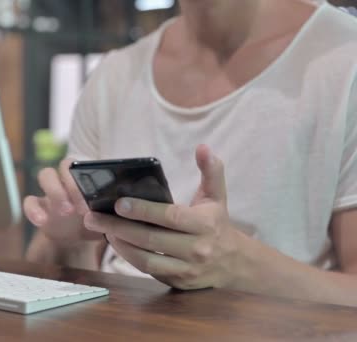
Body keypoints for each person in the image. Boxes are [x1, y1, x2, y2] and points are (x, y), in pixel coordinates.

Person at [24, 0, 357, 306]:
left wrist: (242, 267)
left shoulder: (345, 61)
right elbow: (64, 274)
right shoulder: (114, 75)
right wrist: (65, 238)